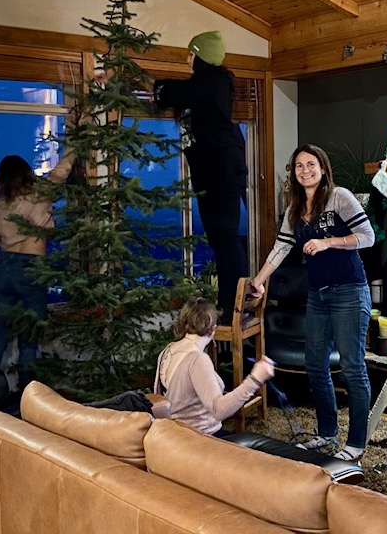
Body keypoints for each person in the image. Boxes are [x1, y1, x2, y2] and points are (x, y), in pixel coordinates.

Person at [251, 144, 374, 462]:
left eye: (311, 164)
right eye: (299, 165)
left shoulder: (339, 198)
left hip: (349, 292)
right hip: (318, 295)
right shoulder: (294, 208)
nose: (305, 170)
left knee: (352, 368)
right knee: (315, 366)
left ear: (322, 168)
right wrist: (259, 280)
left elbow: (368, 236)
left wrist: (328, 241)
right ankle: (327, 434)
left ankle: (357, 444)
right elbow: (280, 249)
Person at [153, 31, 248, 323]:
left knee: (226, 236)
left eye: (191, 54)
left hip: (221, 169)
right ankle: (230, 300)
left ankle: (234, 303)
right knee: (221, 238)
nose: (187, 59)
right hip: (212, 171)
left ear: (202, 56)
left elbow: (176, 93)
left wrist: (157, 86)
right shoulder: (207, 85)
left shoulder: (213, 81)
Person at [0, 149, 74, 390]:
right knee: (29, 341)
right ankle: (27, 398)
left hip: (2, 269)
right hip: (31, 269)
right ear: (26, 174)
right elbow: (63, 170)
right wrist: (78, 143)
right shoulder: (39, 194)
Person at [154, 296, 274, 436]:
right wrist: (255, 379)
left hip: (176, 436)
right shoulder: (198, 360)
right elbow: (219, 410)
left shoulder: (167, 351)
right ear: (213, 328)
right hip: (201, 439)